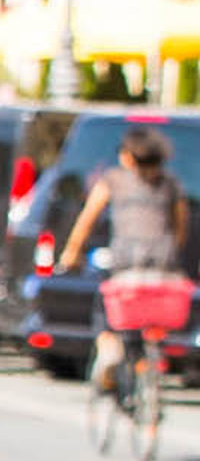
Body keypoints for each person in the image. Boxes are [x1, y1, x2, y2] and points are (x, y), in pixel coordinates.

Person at [59, 127, 192, 392]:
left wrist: (71, 253)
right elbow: (181, 227)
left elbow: (87, 220)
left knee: (105, 303)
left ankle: (109, 347)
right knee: (151, 315)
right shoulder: (171, 184)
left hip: (125, 267)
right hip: (165, 271)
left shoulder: (113, 180)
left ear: (129, 157)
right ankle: (151, 357)